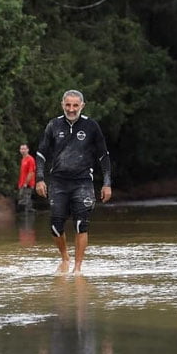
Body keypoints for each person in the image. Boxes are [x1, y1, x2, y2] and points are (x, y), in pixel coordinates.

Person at [35, 90, 112, 274]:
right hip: (58, 182)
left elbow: (103, 156)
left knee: (80, 224)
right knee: (55, 226)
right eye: (68, 105)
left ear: (82, 106)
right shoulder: (53, 125)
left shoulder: (91, 126)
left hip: (83, 182)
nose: (71, 109)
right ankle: (65, 258)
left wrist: (107, 183)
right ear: (62, 104)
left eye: (75, 105)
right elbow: (41, 153)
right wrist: (39, 179)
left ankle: (77, 269)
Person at [16, 143, 36, 212]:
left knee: (24, 202)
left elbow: (31, 173)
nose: (23, 150)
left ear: (28, 150)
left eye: (24, 149)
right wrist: (20, 183)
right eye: (21, 149)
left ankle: (26, 216)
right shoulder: (23, 159)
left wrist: (26, 183)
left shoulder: (30, 159)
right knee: (23, 200)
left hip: (28, 184)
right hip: (22, 183)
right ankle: (27, 215)